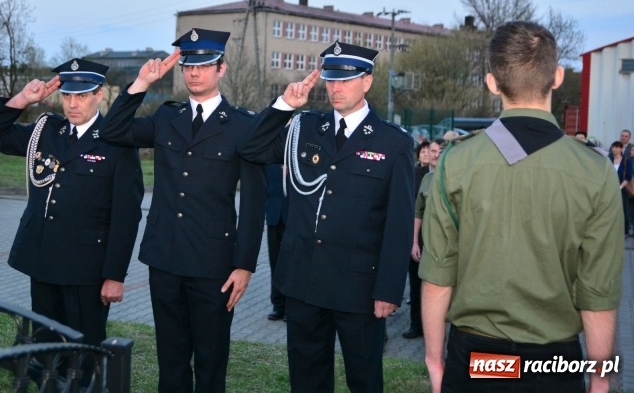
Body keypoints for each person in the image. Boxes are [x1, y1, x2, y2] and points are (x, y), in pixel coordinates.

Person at [420, 21, 623, 393]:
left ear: (492, 82)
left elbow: (438, 276)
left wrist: (434, 361)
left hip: (478, 360)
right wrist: (600, 379)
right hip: (554, 365)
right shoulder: (594, 171)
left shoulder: (456, 161)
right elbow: (598, 294)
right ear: (557, 77)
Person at [237, 40, 415, 392]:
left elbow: (398, 222)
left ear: (367, 81)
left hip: (359, 287)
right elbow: (250, 148)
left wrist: (389, 289)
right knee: (307, 379)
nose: (336, 87)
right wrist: (284, 106)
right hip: (305, 281)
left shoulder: (392, 142)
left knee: (364, 379)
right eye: (331, 79)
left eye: (346, 80)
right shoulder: (304, 128)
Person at [100, 28, 266, 393]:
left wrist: (245, 264)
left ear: (221, 69)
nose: (194, 73)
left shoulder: (243, 125)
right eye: (188, 65)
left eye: (204, 66)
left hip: (214, 265)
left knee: (210, 363)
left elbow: (255, 203)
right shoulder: (166, 117)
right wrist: (141, 81)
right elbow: (112, 131)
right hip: (166, 259)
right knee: (171, 362)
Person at [0, 58, 143, 347]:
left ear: (98, 95)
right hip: (43, 259)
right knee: (45, 342)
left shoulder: (117, 140)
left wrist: (114, 275)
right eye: (67, 95)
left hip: (86, 269)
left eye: (81, 96)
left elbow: (126, 215)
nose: (73, 104)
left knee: (84, 346)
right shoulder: (46, 131)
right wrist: (23, 100)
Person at [403, 138, 442, 339]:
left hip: (442, 243)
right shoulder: (417, 175)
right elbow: (415, 210)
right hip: (420, 240)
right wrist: (413, 241)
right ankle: (415, 325)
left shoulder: (450, 177)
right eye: (431, 151)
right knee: (416, 286)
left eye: (438, 151)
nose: (434, 155)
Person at [265, 163, 290, 321]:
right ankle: (278, 305)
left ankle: (290, 307)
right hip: (274, 217)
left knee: (291, 264)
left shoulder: (298, 160)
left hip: (292, 219)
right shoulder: (270, 161)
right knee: (275, 263)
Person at [609, 140, 633, 236]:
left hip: (622, 189)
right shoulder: (609, 160)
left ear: (621, 149)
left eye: (617, 147)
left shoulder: (627, 161)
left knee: (623, 210)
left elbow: (628, 176)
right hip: (610, 189)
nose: (614, 149)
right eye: (613, 147)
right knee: (610, 210)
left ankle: (625, 232)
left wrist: (619, 187)